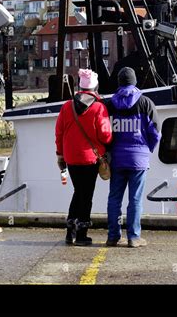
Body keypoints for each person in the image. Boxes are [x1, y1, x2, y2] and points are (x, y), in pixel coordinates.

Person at [55, 69, 112, 246]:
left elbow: (59, 132)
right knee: (86, 195)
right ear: (95, 87)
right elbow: (105, 135)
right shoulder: (98, 107)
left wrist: (60, 154)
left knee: (78, 192)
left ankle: (69, 231)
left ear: (79, 86)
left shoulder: (67, 106)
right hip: (90, 159)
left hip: (71, 158)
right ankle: (81, 235)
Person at [106, 67, 161, 248]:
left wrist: (108, 150)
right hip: (138, 159)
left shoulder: (110, 104)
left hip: (116, 159)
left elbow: (103, 131)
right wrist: (146, 149)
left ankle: (113, 236)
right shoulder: (146, 103)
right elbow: (156, 132)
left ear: (119, 82)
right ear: (135, 81)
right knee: (135, 199)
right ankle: (134, 237)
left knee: (114, 198)